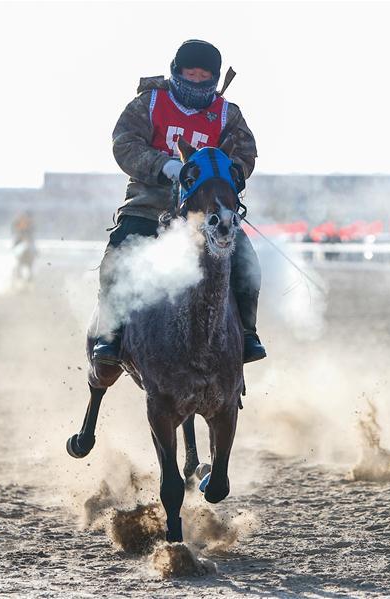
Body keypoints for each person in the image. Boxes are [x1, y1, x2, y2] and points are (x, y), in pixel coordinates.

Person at [91, 39, 266, 365]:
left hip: (206, 213)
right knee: (117, 257)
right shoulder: (150, 102)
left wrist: (226, 174)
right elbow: (124, 143)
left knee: (246, 262)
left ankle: (247, 333)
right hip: (149, 204)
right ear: (177, 72)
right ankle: (110, 336)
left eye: (204, 76)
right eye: (191, 73)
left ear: (213, 79)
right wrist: (164, 166)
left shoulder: (228, 114)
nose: (197, 80)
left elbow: (244, 156)